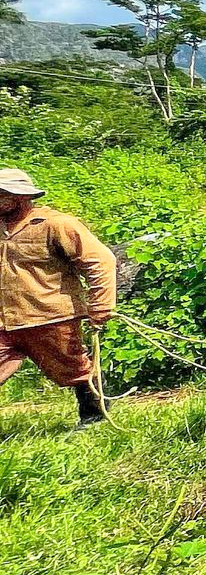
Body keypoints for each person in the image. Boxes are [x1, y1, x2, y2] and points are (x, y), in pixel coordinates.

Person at [0, 168, 116, 426]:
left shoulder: (55, 224)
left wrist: (101, 305)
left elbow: (100, 261)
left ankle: (94, 419)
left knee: (76, 369)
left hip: (50, 316)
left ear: (19, 196)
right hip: (4, 319)